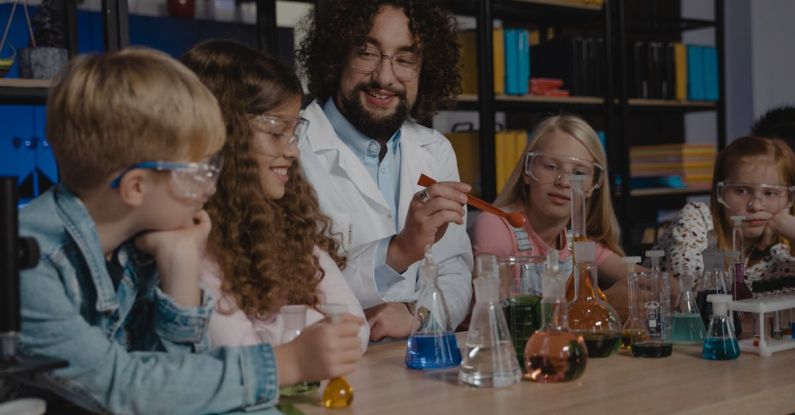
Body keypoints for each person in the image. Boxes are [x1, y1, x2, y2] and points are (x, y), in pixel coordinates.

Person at [13, 48, 361, 414]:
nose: (212, 187)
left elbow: (182, 389)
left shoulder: (146, 242)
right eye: (199, 171)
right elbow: (124, 389)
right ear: (136, 187)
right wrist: (286, 363)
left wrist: (180, 269)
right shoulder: (31, 266)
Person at [296, 0, 473, 340]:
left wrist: (418, 317)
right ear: (338, 56)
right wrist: (398, 252)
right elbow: (285, 288)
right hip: (330, 366)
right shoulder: (291, 149)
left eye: (405, 60)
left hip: (417, 359)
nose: (385, 77)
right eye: (367, 53)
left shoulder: (434, 150)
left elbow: (454, 269)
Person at [180, 39, 369, 351]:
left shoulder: (286, 227)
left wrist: (283, 332)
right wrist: (308, 327)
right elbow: (245, 356)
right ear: (225, 137)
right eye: (276, 133)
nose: (293, 150)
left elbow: (355, 331)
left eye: (293, 132)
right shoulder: (194, 238)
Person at [471, 115, 632, 316]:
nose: (564, 181)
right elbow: (496, 310)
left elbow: (641, 277)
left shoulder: (577, 243)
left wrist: (662, 285)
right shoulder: (495, 224)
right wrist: (600, 306)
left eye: (579, 173)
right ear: (527, 171)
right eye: (550, 167)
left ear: (592, 187)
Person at [652, 136, 795, 283]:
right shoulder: (697, 217)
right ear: (720, 192)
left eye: (770, 193)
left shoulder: (775, 250)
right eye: (741, 191)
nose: (756, 206)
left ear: (789, 199)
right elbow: (689, 285)